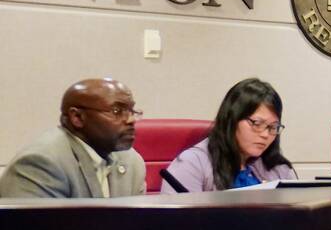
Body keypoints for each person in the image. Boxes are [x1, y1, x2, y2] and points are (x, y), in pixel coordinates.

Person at [0, 77, 145, 199]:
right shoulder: (41, 163)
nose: (131, 119)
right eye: (116, 111)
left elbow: (141, 226)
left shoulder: (131, 161)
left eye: (131, 110)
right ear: (77, 117)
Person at [162, 78, 298, 192]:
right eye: (257, 123)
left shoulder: (279, 169)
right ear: (232, 119)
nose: (265, 134)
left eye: (273, 127)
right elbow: (174, 222)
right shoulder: (192, 163)